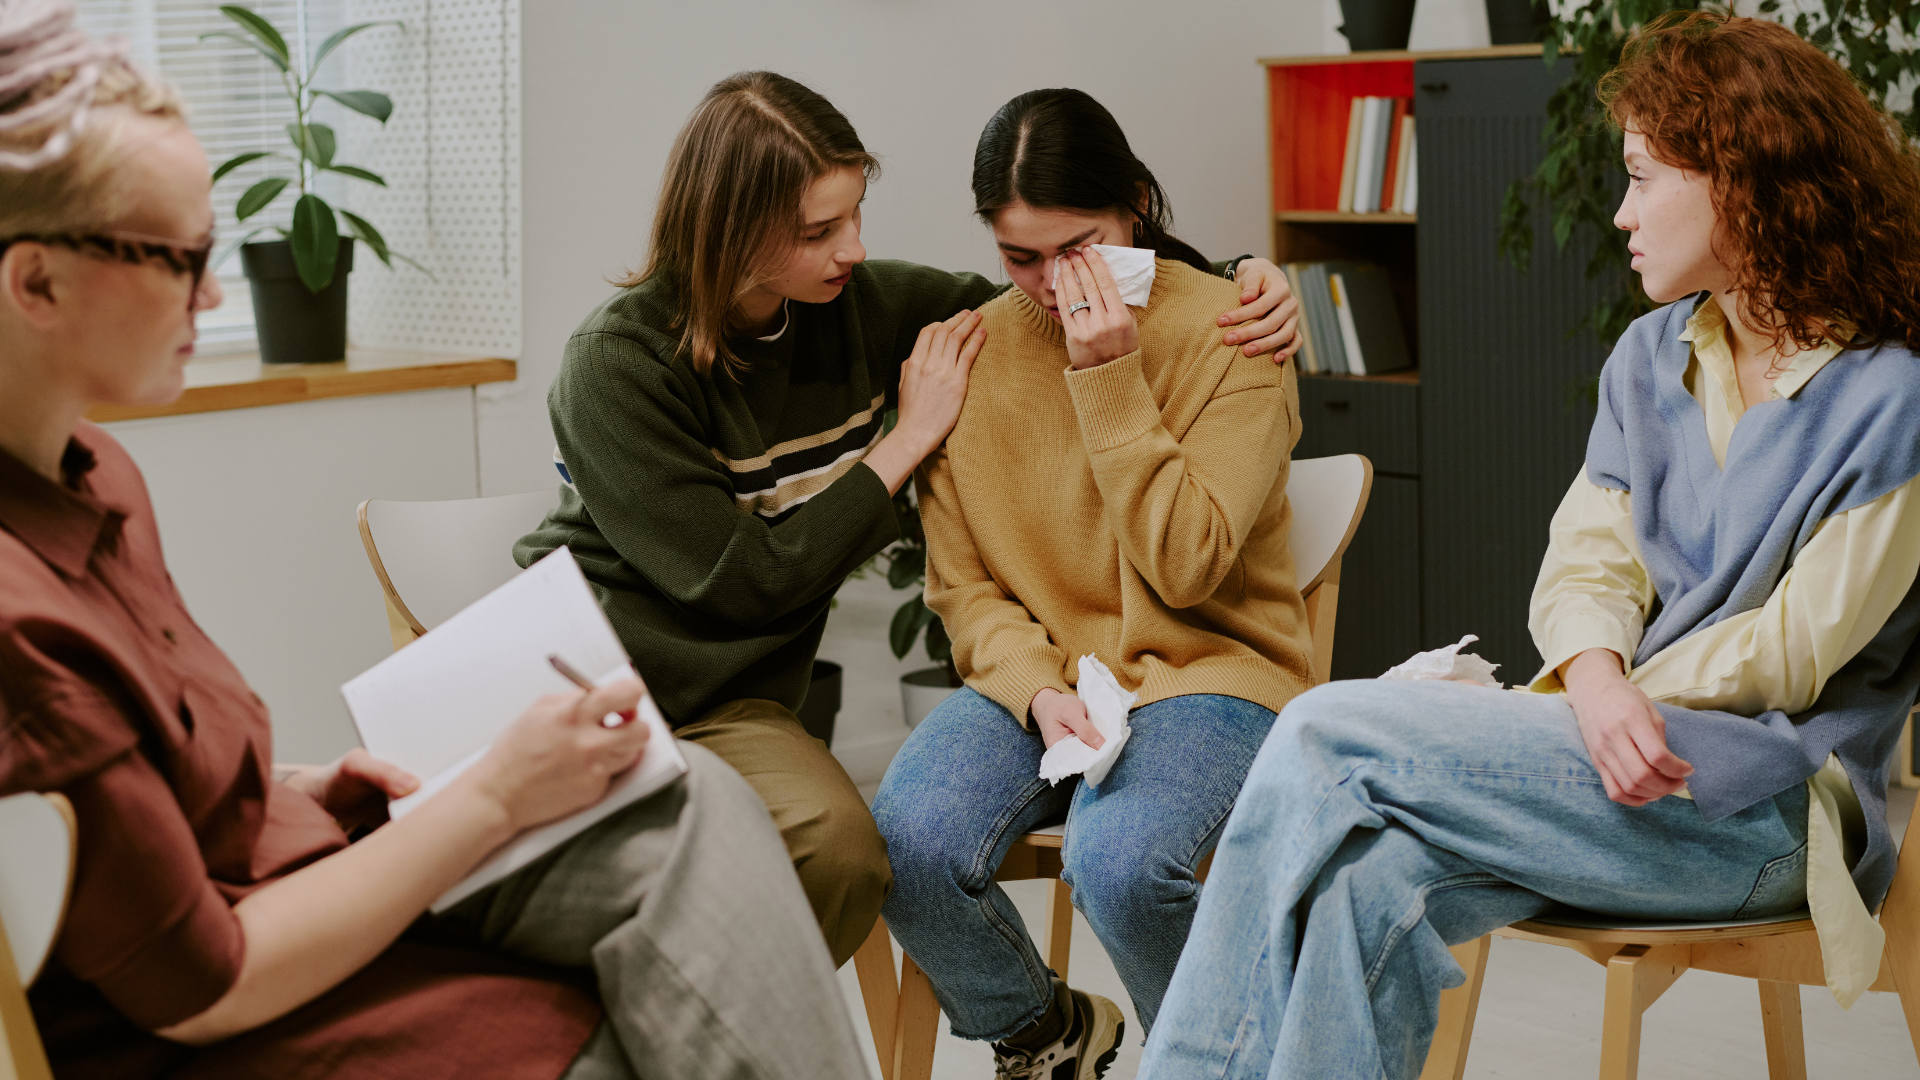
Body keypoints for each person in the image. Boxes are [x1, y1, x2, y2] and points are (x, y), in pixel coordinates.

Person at [0, 5, 867, 1078]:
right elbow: (203, 983)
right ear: (35, 282)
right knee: (632, 963)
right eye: (180, 257)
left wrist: (293, 788)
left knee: (696, 799)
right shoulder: (18, 617)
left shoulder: (99, 481)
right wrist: (496, 792)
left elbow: (130, 793)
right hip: (217, 996)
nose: (215, 290)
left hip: (281, 869)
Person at [1136, 13, 1920, 1079]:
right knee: (1368, 883)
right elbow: (1587, 564)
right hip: (1614, 774)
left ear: (1739, 177)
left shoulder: (1894, 400)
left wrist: (1604, 695)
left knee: (1325, 730)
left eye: (1643, 178)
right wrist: (1594, 681)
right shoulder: (1650, 357)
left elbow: (1794, 652)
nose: (1619, 212)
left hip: (1764, 813)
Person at [513, 70, 1303, 967]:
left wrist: (1243, 277)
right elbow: (782, 583)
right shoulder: (622, 363)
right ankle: (1009, 1032)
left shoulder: (871, 306)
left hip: (758, 697)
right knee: (875, 850)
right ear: (731, 231)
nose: (851, 249)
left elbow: (1086, 314)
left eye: (854, 215)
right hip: (589, 671)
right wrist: (911, 446)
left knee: (983, 858)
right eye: (818, 232)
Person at [869, 87, 1315, 1079]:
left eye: (1077, 245)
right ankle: (1048, 1036)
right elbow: (964, 586)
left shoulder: (1236, 333)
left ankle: (1224, 1063)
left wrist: (1108, 376)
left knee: (1116, 863)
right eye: (1018, 256)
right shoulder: (970, 356)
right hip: (1051, 676)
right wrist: (1033, 685)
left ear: (1138, 206)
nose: (1049, 282)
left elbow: (1187, 563)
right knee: (901, 839)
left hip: (1212, 670)